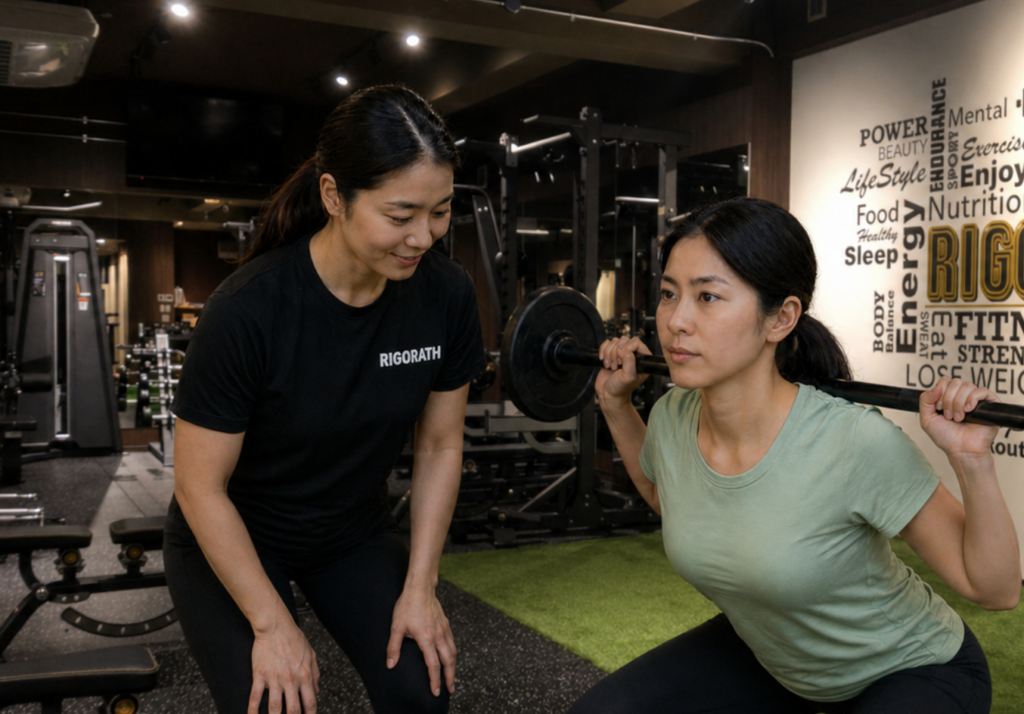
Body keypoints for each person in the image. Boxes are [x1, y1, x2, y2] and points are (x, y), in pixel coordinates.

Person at [570, 197, 1020, 714]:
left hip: (912, 668)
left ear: (781, 318)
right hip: (780, 662)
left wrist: (972, 460)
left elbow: (995, 590)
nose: (676, 321)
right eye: (670, 294)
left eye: (708, 297)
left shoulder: (852, 441)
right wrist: (616, 405)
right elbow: (668, 496)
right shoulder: (673, 416)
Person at [164, 85, 485, 714]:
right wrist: (271, 624)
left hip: (349, 531)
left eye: (441, 212)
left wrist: (421, 587)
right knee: (274, 705)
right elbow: (199, 487)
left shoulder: (446, 296)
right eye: (400, 216)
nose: (423, 237)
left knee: (420, 691)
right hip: (235, 532)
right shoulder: (247, 309)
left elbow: (441, 445)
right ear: (335, 196)